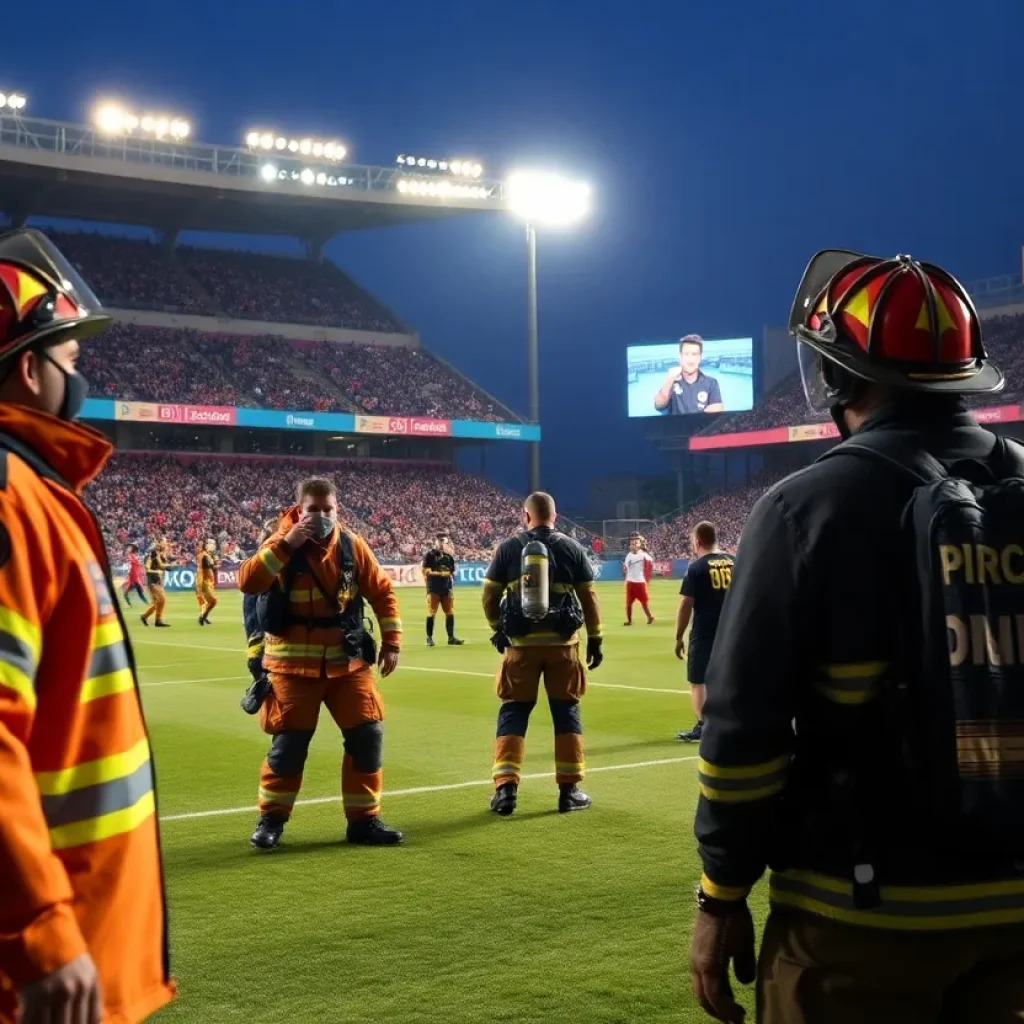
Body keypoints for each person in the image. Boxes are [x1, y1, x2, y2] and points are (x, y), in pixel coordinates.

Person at [689, 250, 1024, 1024]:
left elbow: (743, 736)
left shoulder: (806, 506)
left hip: (861, 918)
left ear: (838, 377)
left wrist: (721, 893)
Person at [0, 228, 173, 1023]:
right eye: (70, 362)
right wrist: (36, 927)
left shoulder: (33, 489)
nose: (80, 380)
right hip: (42, 972)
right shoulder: (9, 496)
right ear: (29, 369)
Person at [239, 477, 405, 850]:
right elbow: (248, 582)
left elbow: (382, 591)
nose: (321, 516)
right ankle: (271, 821)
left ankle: (364, 821)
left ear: (337, 509)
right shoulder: (280, 542)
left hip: (347, 666)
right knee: (289, 747)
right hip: (292, 668)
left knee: (367, 738)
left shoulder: (351, 544)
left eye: (327, 509)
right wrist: (287, 544)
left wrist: (392, 642)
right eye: (313, 510)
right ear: (299, 510)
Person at [483, 491, 604, 816]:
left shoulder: (509, 548)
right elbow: (589, 598)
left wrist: (498, 628)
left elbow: (489, 595)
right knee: (566, 712)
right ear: (555, 515)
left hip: (521, 648)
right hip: (563, 648)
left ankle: (505, 790)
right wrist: (596, 638)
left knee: (514, 711)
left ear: (526, 516)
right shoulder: (571, 547)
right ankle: (569, 791)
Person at [675, 522, 733, 743]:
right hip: (731, 626)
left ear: (697, 541)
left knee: (698, 678)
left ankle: (703, 726)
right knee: (728, 675)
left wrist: (679, 636)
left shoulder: (697, 567)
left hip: (705, 629)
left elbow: (686, 604)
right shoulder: (733, 561)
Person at [654, 335, 724, 415]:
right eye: (686, 354)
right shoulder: (671, 381)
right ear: (680, 357)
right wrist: (669, 379)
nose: (690, 359)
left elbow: (717, 407)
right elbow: (659, 406)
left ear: (700, 357)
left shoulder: (711, 382)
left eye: (694, 354)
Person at [421, 531, 464, 646]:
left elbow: (452, 571)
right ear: (435, 541)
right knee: (431, 613)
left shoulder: (449, 557)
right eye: (440, 540)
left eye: (444, 541)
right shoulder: (429, 555)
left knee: (449, 612)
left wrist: (451, 574)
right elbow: (425, 571)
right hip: (433, 588)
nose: (442, 543)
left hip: (446, 588)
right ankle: (429, 638)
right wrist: (440, 574)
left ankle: (451, 637)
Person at [140, 538, 173, 628]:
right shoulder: (152, 555)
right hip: (152, 581)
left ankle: (144, 616)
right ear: (158, 543)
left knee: (157, 603)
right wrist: (158, 571)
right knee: (162, 600)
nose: (165, 544)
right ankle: (158, 620)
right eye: (163, 542)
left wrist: (170, 564)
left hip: (159, 581)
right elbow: (147, 569)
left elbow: (168, 569)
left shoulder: (162, 556)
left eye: (166, 542)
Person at [622, 536, 654, 625]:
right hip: (630, 582)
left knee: (644, 602)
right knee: (628, 604)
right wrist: (625, 569)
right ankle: (629, 620)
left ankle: (649, 617)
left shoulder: (643, 554)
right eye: (632, 544)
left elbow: (650, 562)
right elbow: (626, 566)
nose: (634, 545)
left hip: (640, 582)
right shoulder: (629, 555)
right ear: (630, 545)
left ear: (640, 544)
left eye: (636, 543)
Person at [195, 537, 218, 626]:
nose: (213, 546)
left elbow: (210, 566)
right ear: (207, 545)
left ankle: (204, 617)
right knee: (212, 601)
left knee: (211, 602)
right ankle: (202, 617)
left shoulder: (207, 555)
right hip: (205, 582)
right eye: (211, 544)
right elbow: (206, 567)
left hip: (208, 582)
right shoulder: (204, 555)